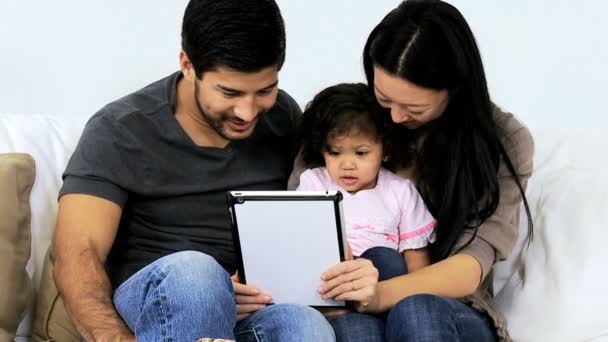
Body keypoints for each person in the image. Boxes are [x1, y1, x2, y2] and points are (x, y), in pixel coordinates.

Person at [52, 0, 335, 341]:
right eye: (229, 92)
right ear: (187, 64)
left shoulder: (282, 117)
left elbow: (324, 205)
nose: (247, 112)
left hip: (247, 309)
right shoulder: (120, 129)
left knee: (306, 326)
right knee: (196, 275)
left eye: (264, 90)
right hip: (157, 301)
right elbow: (77, 254)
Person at [289, 1, 534, 341]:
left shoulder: (504, 141)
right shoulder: (342, 122)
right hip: (344, 305)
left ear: (456, 90)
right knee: (351, 328)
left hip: (450, 309)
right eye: (384, 99)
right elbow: (300, 230)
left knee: (416, 308)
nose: (394, 118)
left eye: (414, 108)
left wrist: (379, 295)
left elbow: (471, 265)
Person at [295, 83, 436, 282]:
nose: (347, 164)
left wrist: (415, 297)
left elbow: (416, 258)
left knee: (386, 259)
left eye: (361, 153)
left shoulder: (401, 191)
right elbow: (301, 242)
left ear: (385, 149)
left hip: (384, 284)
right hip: (333, 282)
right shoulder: (314, 183)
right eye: (335, 152)